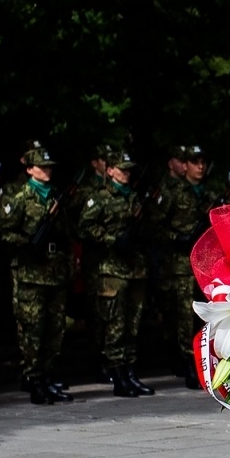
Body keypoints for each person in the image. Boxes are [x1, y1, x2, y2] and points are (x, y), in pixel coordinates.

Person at [0, 146, 74, 404]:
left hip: (55, 271)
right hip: (30, 273)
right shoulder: (19, 198)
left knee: (54, 329)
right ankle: (34, 379)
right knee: (32, 330)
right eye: (41, 165)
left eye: (49, 165)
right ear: (29, 169)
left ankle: (48, 377)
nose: (47, 169)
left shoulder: (56, 197)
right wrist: (25, 243)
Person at [77, 150, 154, 397]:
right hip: (112, 269)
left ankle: (130, 371)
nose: (126, 173)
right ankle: (118, 374)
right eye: (121, 169)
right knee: (115, 324)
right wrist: (111, 239)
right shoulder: (99, 198)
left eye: (128, 169)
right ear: (109, 170)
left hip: (135, 268)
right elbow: (85, 226)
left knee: (133, 323)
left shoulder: (134, 197)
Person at [147, 144, 210, 386]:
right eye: (195, 162)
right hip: (179, 265)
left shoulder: (206, 193)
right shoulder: (172, 192)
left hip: (202, 266)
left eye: (202, 162)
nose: (200, 167)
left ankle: (203, 362)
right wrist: (177, 239)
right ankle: (188, 364)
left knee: (203, 315)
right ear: (184, 166)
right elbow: (154, 227)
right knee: (184, 317)